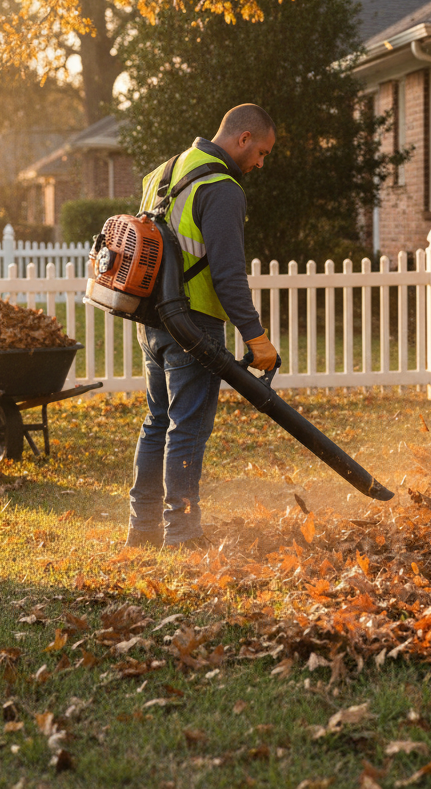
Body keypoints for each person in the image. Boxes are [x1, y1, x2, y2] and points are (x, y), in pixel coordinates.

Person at [125, 104, 278, 549]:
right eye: (262, 152)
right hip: (193, 326)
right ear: (243, 138)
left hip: (151, 321)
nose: (261, 163)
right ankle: (183, 535)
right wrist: (256, 337)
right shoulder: (222, 188)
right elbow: (228, 275)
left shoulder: (164, 172)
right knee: (187, 428)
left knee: (157, 422)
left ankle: (144, 529)